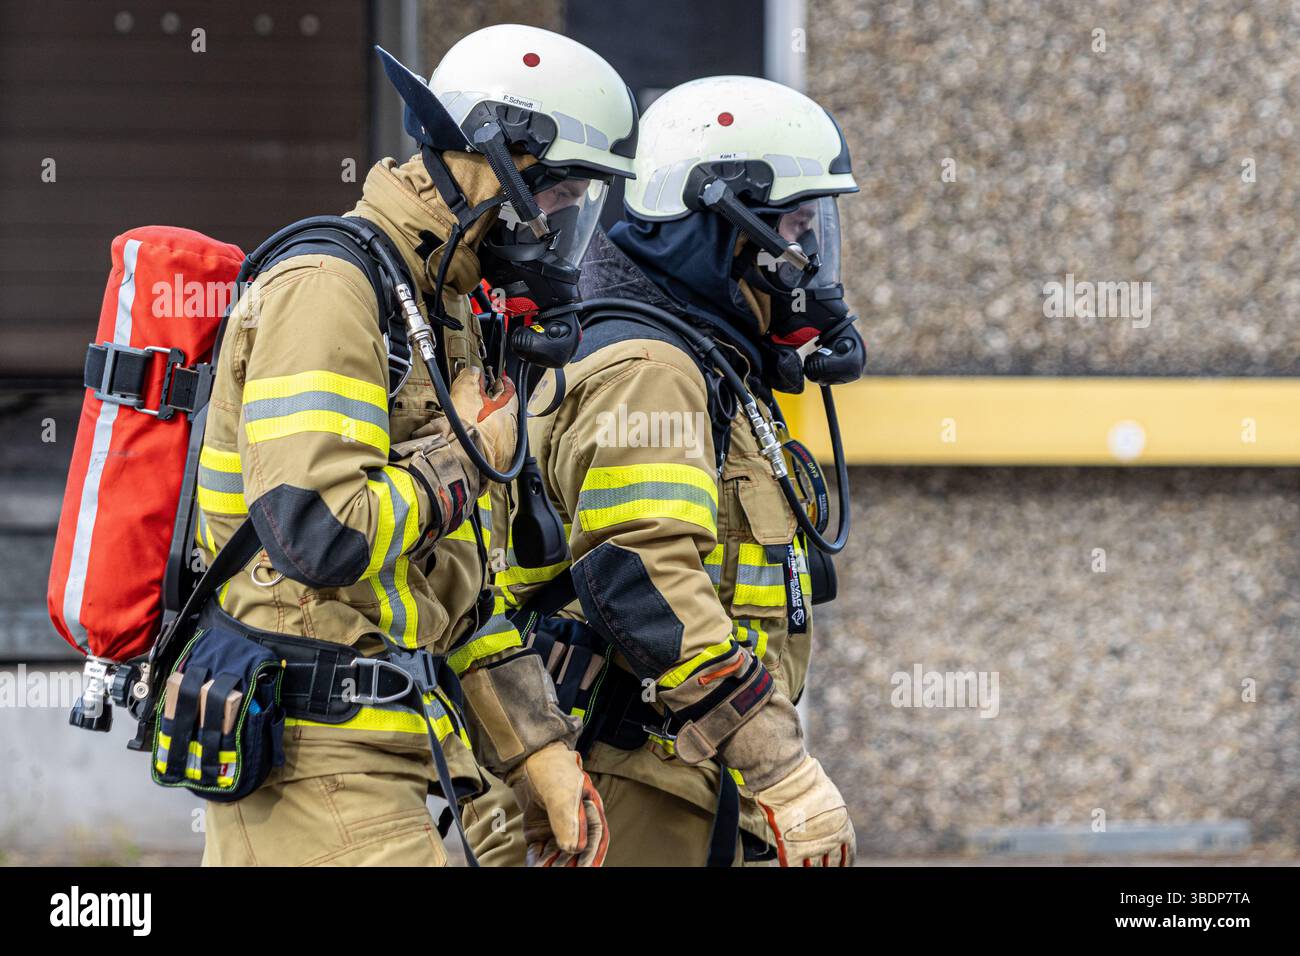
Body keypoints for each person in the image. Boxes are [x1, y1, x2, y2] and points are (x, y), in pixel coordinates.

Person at [198, 23, 637, 867]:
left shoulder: (438, 310)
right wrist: (465, 456)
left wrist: (537, 751)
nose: (566, 222)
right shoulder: (331, 287)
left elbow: (454, 586)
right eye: (561, 194)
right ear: (497, 165)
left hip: (384, 755)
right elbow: (317, 530)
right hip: (309, 755)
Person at [464, 75, 863, 866]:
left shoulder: (707, 366)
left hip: (675, 777)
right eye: (794, 225)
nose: (808, 258)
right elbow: (641, 572)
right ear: (722, 228)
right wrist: (783, 771)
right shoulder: (651, 367)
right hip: (627, 782)